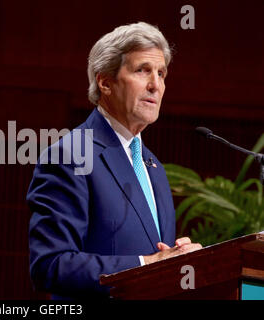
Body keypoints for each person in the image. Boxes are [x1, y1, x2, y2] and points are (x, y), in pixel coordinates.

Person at [26, 22, 202, 299]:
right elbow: (51, 265)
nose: (155, 85)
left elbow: (160, 259)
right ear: (105, 82)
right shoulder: (72, 154)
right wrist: (147, 264)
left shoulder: (153, 166)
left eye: (161, 73)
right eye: (142, 70)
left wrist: (177, 260)